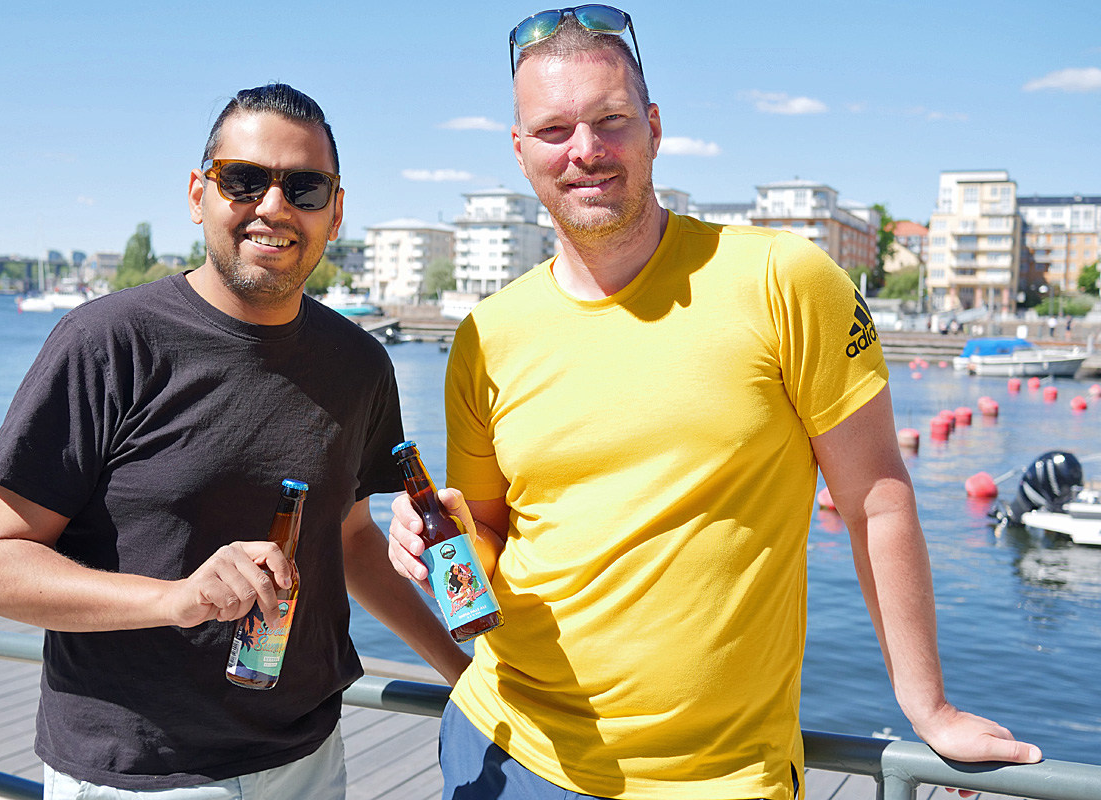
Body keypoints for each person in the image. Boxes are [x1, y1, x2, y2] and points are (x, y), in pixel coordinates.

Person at [388, 9, 1041, 800]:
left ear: (654, 129)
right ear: (521, 151)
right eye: (554, 130)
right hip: (507, 747)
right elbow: (485, 537)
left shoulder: (783, 280)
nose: (585, 150)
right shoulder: (486, 335)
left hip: (720, 775)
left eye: (611, 120)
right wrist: (436, 543)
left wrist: (927, 706)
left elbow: (875, 497)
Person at [0, 83, 469, 800]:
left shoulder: (359, 363)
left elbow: (351, 538)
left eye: (305, 187)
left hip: (309, 758)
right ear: (199, 194)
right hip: (140, 773)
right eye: (244, 180)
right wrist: (177, 599)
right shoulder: (106, 342)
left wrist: (465, 675)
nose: (274, 207)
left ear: (336, 211)